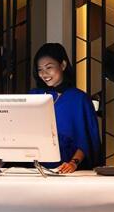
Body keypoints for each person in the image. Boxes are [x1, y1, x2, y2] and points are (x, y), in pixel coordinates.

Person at [29, 43, 101, 173]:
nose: (44, 74)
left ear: (63, 65)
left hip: (68, 171)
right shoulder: (34, 96)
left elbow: (86, 139)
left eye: (49, 67)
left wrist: (73, 163)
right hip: (34, 170)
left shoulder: (79, 99)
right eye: (40, 69)